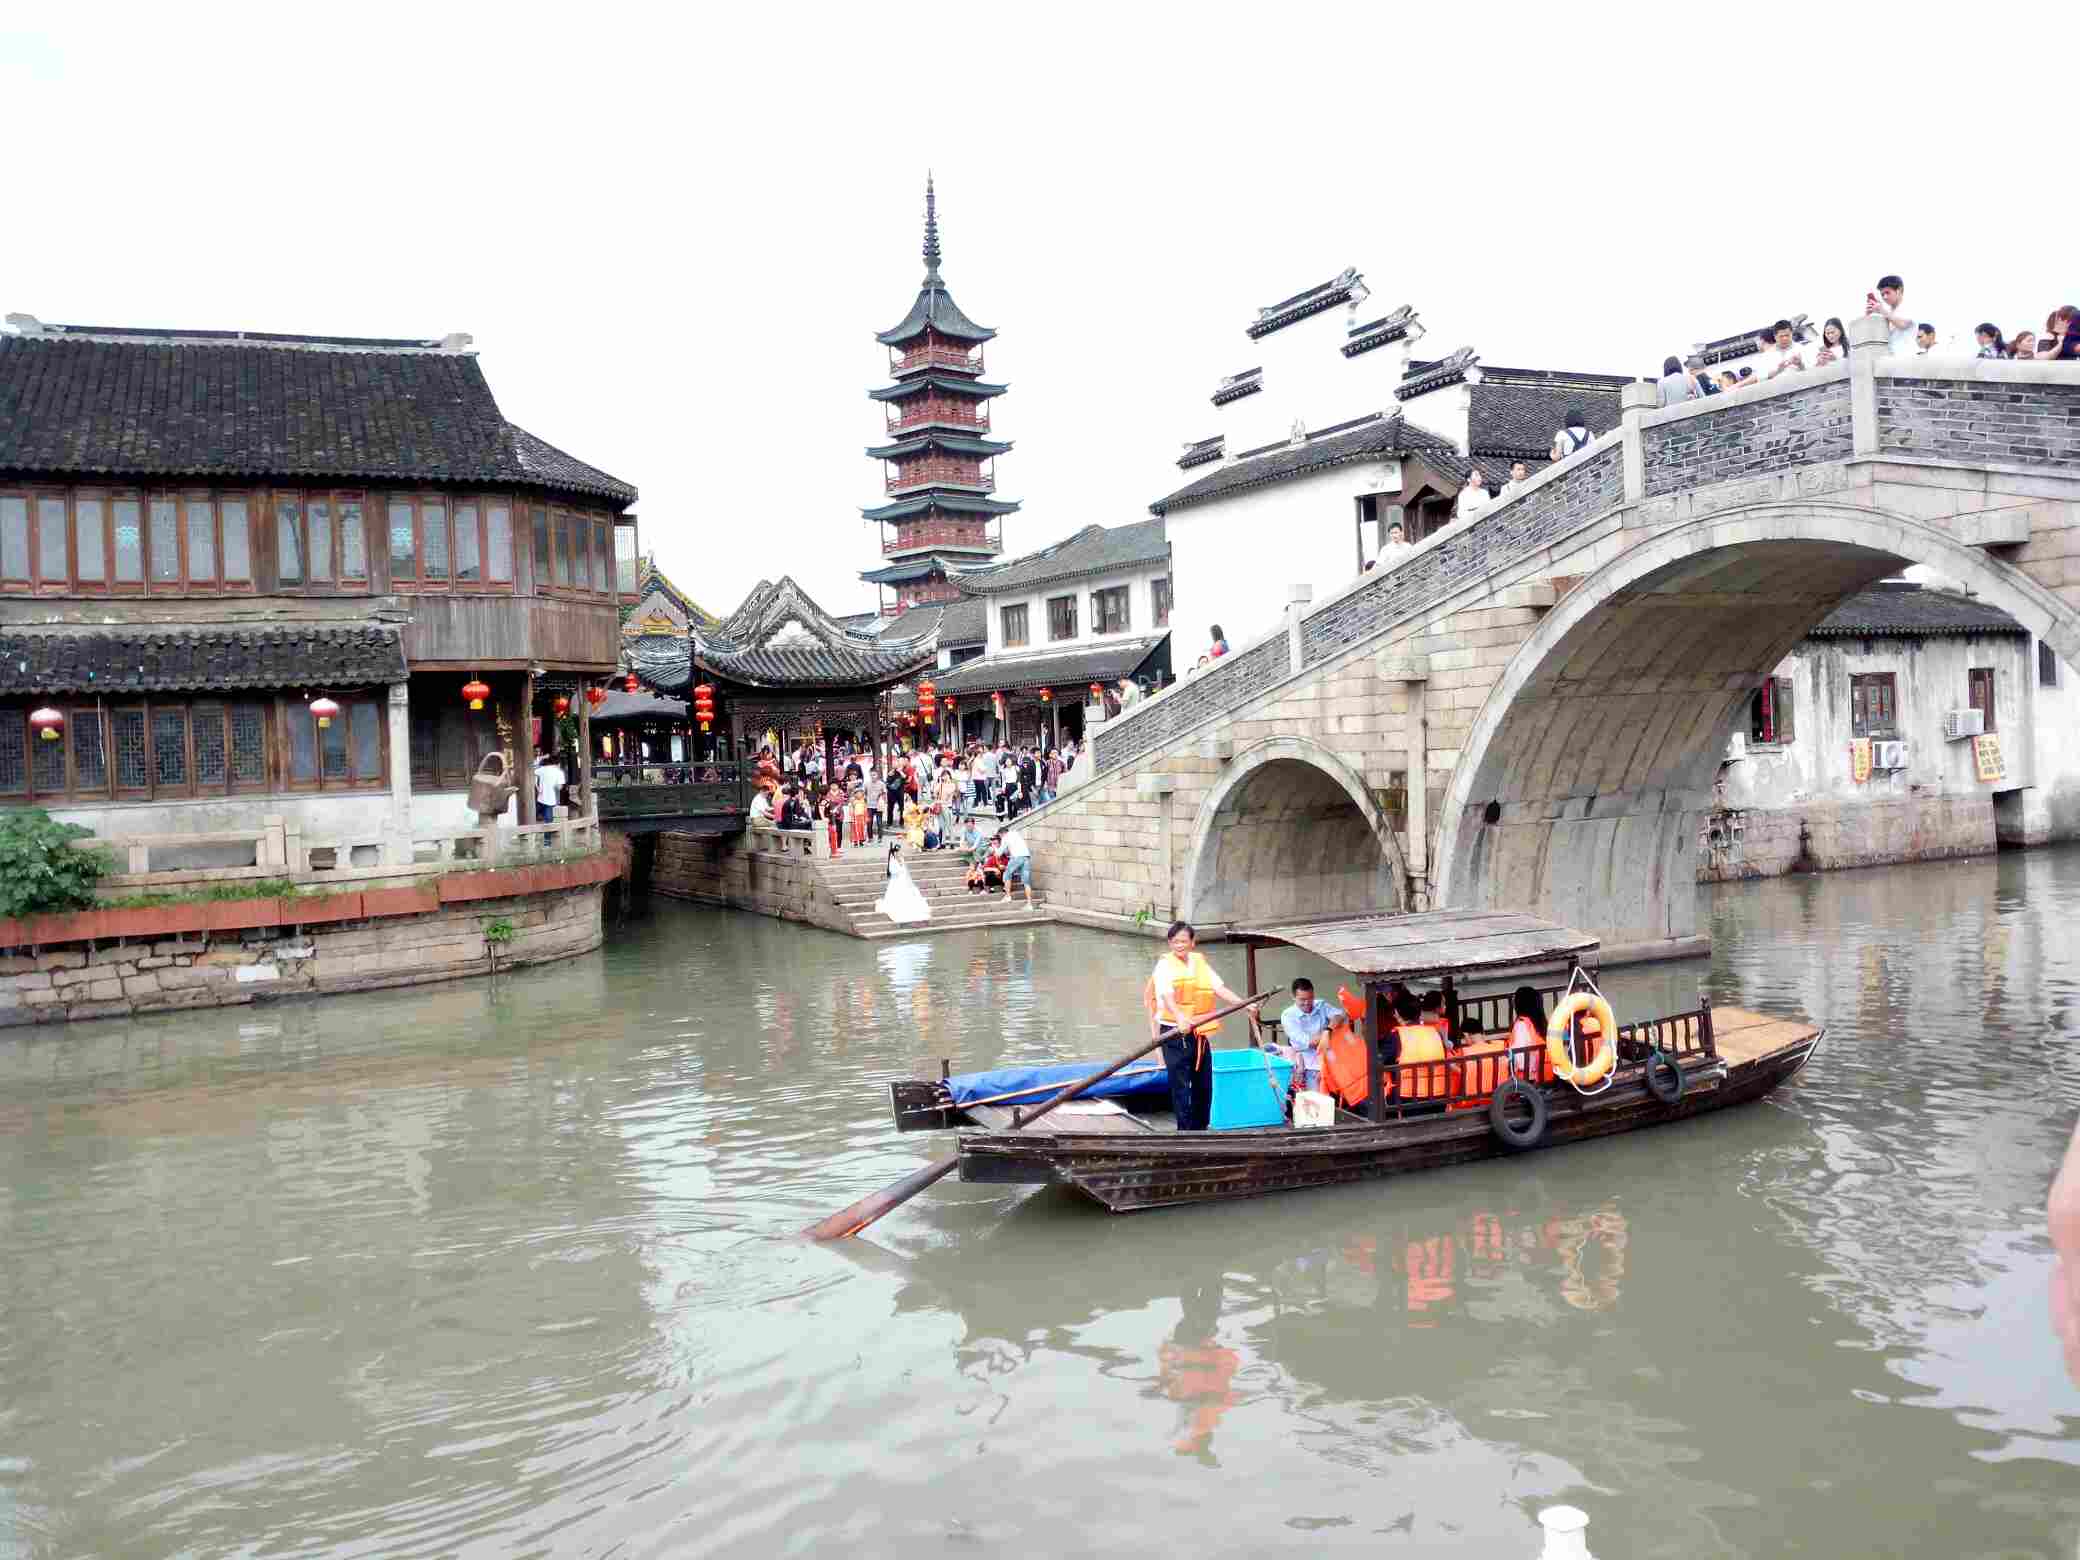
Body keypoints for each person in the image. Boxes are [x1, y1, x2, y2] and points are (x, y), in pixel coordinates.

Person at [1149, 921, 1259, 1132]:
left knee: (1204, 1084)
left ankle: (1200, 1129)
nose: (1179, 945)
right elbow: (1166, 995)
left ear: (1193, 942)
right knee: (1181, 1086)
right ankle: (1185, 1132)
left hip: (1198, 1034)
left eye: (1183, 941)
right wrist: (1180, 1017)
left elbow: (1219, 988)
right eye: (1174, 942)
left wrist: (1244, 1004)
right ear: (1170, 943)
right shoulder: (1164, 965)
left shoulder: (1199, 963)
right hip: (1174, 1033)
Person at [1276, 977, 1334, 1092]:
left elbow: (1341, 1016)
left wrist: (1328, 1030)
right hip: (1309, 1063)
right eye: (1302, 999)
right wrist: (1328, 1035)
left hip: (1331, 1058)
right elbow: (1310, 1042)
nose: (1307, 1003)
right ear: (1293, 997)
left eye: (1310, 998)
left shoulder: (1320, 1004)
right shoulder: (1288, 1015)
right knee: (1316, 1097)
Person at [873, 843, 932, 925]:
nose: (899, 853)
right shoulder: (892, 860)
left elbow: (905, 871)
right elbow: (892, 871)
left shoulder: (901, 858)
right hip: (896, 880)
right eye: (897, 852)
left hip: (903, 879)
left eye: (899, 851)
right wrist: (899, 868)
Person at [1864, 273, 1915, 355]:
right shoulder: (1888, 312)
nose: (1885, 297)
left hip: (1906, 356)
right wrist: (1869, 315)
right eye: (1882, 294)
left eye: (1887, 293)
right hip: (1891, 357)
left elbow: (1903, 324)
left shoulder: (1909, 306)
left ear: (1899, 290)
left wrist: (1882, 310)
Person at [995, 824, 1035, 909]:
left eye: (1000, 836)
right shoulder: (1016, 834)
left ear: (1002, 834)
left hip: (1017, 857)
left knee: (1006, 875)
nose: (1000, 838)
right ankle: (1029, 904)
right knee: (1026, 882)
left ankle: (1008, 896)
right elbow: (1008, 849)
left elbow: (999, 853)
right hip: (1026, 857)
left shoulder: (1005, 837)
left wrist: (995, 849)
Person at [533, 751, 566, 824]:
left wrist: (541, 758)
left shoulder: (542, 769)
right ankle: (547, 831)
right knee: (548, 822)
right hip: (551, 800)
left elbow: (532, 770)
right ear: (559, 764)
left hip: (540, 799)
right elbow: (559, 787)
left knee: (534, 818)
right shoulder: (559, 772)